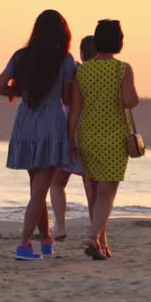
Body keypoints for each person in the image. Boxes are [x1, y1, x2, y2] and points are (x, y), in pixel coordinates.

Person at [0, 10, 77, 260]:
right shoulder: (65, 60)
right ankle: (24, 244)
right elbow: (67, 97)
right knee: (39, 191)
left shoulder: (21, 57)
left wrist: (22, 90)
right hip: (50, 122)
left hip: (26, 121)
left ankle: (47, 240)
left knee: (36, 188)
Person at [70, 19, 139, 259]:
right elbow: (130, 101)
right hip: (114, 137)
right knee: (107, 194)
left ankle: (101, 244)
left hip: (87, 134)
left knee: (95, 193)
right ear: (119, 41)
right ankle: (93, 236)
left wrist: (71, 139)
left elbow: (75, 110)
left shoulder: (82, 71)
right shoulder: (122, 69)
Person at [47, 35, 95, 240]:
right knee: (91, 186)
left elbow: (68, 102)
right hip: (93, 131)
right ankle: (97, 230)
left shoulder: (77, 73)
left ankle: (60, 226)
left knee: (57, 182)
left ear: (82, 53)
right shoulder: (102, 74)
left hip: (70, 128)